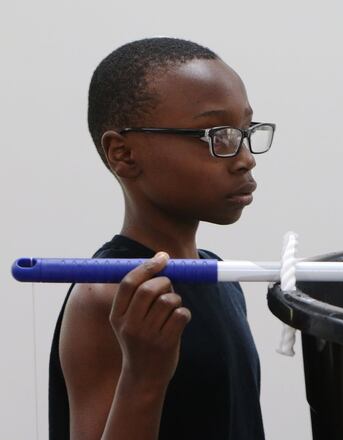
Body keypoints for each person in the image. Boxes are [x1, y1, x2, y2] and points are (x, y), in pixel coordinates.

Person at [49, 37, 273, 439]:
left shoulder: (222, 278)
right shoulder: (108, 292)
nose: (245, 158)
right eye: (215, 135)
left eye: (244, 130)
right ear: (124, 154)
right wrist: (144, 375)